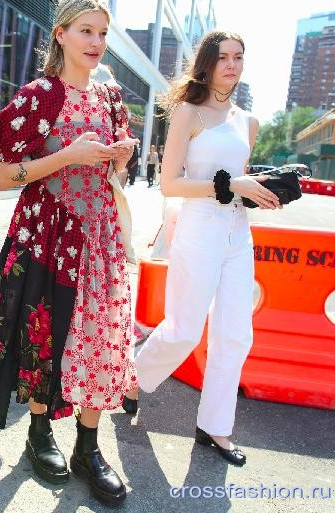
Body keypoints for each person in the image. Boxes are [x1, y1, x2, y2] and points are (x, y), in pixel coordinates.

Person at [0, 0, 138, 505]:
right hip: (47, 233)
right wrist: (67, 156)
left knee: (100, 338)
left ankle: (89, 447)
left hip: (98, 237)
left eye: (102, 32)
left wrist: (117, 159)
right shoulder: (41, 96)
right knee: (44, 332)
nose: (96, 41)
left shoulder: (112, 97)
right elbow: (6, 173)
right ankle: (39, 433)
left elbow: (114, 174)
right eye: (86, 30)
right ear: (60, 34)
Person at [123, 31, 280, 466]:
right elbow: (171, 183)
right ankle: (132, 378)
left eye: (238, 57)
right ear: (208, 63)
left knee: (235, 334)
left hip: (237, 234)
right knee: (184, 329)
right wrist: (232, 186)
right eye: (223, 57)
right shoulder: (189, 112)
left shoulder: (248, 121)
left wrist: (263, 192)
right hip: (198, 230)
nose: (231, 65)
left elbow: (238, 185)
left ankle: (216, 426)